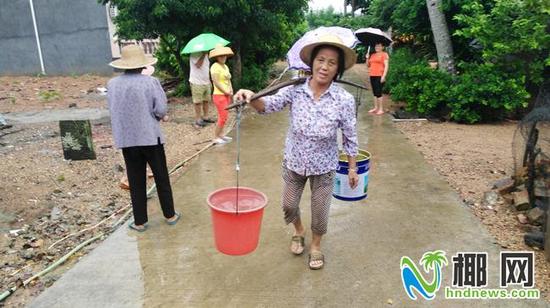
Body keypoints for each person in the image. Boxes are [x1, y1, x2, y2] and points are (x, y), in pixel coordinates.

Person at [235, 35, 359, 270]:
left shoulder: (344, 99)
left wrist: (352, 168)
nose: (324, 66)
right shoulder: (295, 90)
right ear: (311, 62)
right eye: (320, 60)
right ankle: (299, 230)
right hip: (294, 160)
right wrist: (251, 98)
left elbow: (350, 135)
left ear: (338, 69)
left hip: (324, 165)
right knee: (289, 205)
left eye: (332, 63)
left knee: (320, 210)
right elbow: (267, 106)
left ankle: (316, 245)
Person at [107, 45, 181, 232]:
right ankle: (170, 215)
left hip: (127, 139)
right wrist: (156, 116)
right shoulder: (151, 82)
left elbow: (115, 110)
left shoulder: (112, 84)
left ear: (123, 65)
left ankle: (140, 222)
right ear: (142, 65)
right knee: (161, 176)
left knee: (135, 179)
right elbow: (161, 110)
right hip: (150, 137)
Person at [209, 45, 234, 144]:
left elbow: (228, 80)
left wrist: (231, 91)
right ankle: (215, 137)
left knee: (225, 116)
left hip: (227, 94)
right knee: (222, 117)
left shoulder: (225, 66)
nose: (223, 57)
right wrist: (226, 91)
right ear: (217, 57)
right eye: (220, 56)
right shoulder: (215, 66)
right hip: (219, 95)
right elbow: (215, 81)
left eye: (224, 55)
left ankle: (221, 135)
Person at [189, 52, 215, 128]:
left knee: (206, 100)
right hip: (196, 81)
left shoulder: (206, 54)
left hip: (206, 81)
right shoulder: (194, 54)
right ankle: (198, 119)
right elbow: (198, 65)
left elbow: (206, 68)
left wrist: (209, 80)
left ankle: (206, 117)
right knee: (197, 102)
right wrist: (203, 54)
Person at [366, 42, 389, 115]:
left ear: (382, 47)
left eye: (379, 46)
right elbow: (368, 65)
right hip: (372, 75)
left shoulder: (384, 54)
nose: (377, 47)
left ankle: (381, 109)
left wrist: (384, 76)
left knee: (378, 92)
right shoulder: (372, 55)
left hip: (379, 75)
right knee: (374, 92)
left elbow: (386, 66)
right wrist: (367, 58)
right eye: (376, 46)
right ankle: (375, 108)